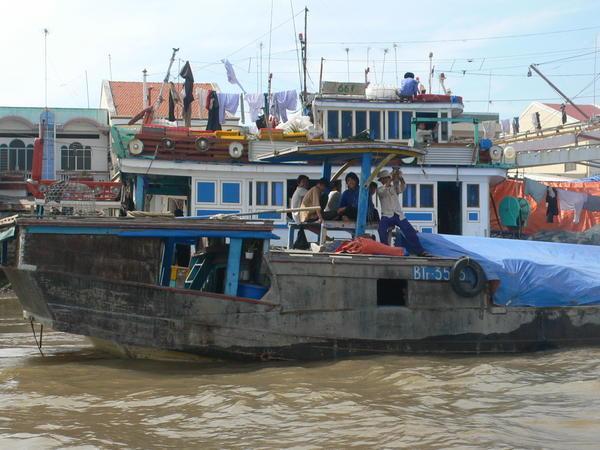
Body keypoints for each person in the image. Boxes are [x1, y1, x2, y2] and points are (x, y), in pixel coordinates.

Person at [376, 169, 430, 256]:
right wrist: (391, 179)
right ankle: (385, 250)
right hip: (386, 215)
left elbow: (402, 187)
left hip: (398, 215)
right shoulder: (380, 190)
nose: (384, 180)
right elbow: (384, 190)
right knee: (381, 230)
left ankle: (420, 251)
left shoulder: (394, 187)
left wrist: (399, 178)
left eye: (385, 178)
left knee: (410, 231)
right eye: (383, 179)